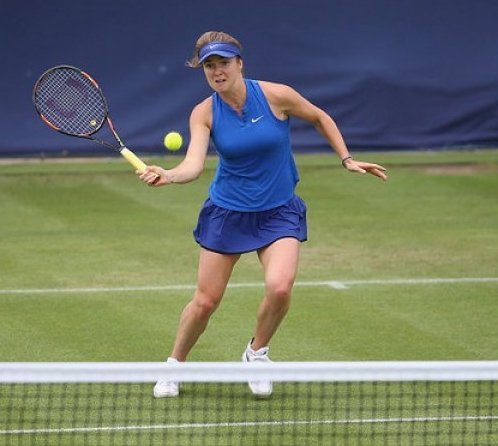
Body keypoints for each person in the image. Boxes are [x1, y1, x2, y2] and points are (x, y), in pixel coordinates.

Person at [138, 31, 388, 398]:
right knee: (205, 302)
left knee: (280, 287)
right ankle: (174, 365)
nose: (217, 71)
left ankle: (256, 354)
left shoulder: (276, 96)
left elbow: (319, 117)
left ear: (239, 64)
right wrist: (170, 175)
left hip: (278, 212)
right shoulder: (204, 113)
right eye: (209, 66)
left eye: (224, 63)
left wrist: (346, 158)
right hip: (228, 213)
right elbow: (193, 165)